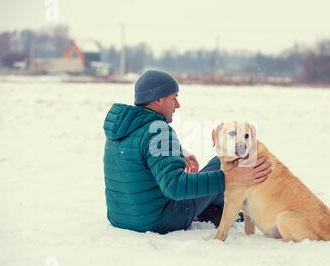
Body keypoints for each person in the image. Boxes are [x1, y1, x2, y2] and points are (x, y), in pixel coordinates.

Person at [103, 70, 272, 234]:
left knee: (209, 187)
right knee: (222, 162)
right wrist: (232, 177)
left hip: (121, 217)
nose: (178, 105)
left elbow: (138, 154)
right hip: (159, 221)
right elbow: (175, 187)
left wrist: (178, 151)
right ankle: (243, 210)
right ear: (158, 100)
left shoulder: (124, 127)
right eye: (174, 98)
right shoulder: (159, 131)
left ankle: (216, 212)